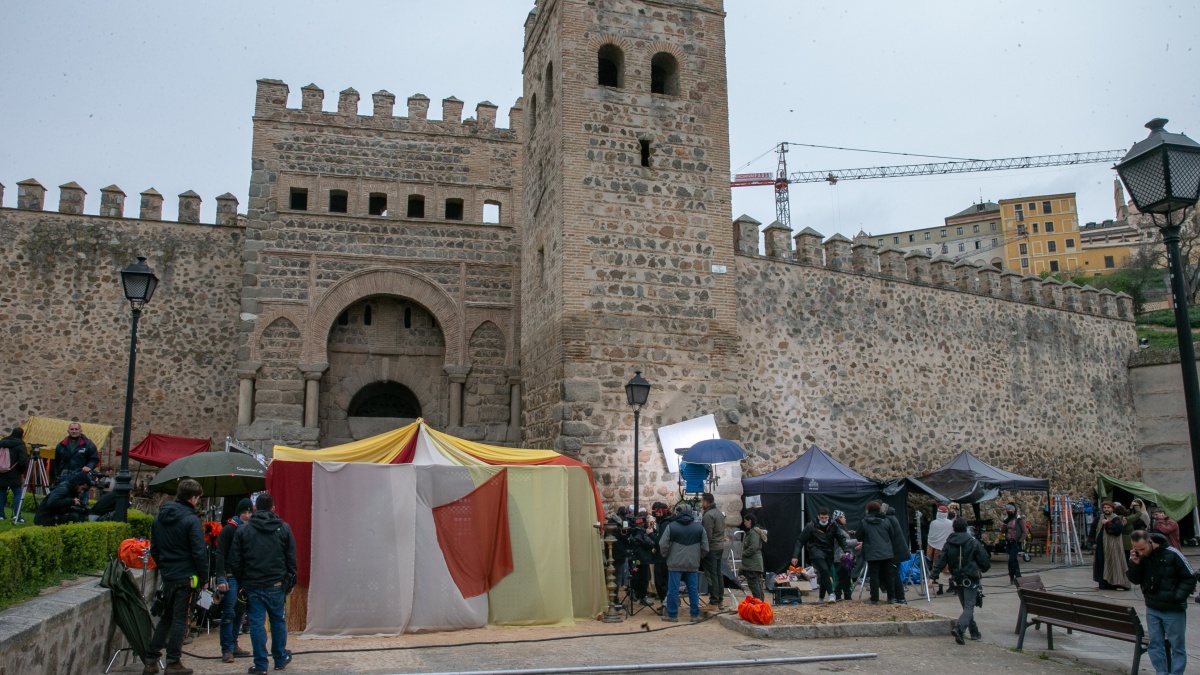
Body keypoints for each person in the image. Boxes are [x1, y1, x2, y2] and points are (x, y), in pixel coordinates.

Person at [143, 478, 208, 675]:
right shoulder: (191, 520)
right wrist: (204, 578)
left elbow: (154, 549)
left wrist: (165, 567)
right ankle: (173, 662)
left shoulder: (159, 518)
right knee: (180, 618)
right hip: (186, 575)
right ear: (193, 498)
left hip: (169, 574)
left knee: (167, 616)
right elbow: (199, 552)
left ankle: (151, 659)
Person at [230, 493, 297, 674]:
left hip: (253, 584)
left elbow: (235, 561)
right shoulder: (283, 528)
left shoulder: (243, 530)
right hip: (276, 584)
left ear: (254, 509)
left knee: (257, 624)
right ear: (273, 508)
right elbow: (291, 558)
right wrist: (290, 580)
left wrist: (242, 581)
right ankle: (280, 658)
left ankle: (260, 665)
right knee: (277, 621)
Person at [1126, 530, 1195, 675]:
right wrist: (1135, 564)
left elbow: (1190, 577)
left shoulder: (1172, 553)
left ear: (1151, 542)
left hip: (1173, 608)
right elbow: (1135, 579)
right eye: (1136, 549)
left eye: (1143, 549)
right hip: (1153, 607)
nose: (1141, 553)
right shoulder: (1140, 557)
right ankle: (1161, 673)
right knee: (1155, 645)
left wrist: (1177, 596)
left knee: (1177, 646)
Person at [933, 518, 991, 644]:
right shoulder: (973, 542)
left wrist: (933, 576)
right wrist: (981, 569)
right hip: (971, 578)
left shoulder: (948, 544)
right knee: (969, 607)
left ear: (953, 528)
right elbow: (985, 561)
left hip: (957, 579)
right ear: (966, 528)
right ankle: (960, 628)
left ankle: (974, 631)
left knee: (966, 607)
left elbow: (940, 560)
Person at [215, 498, 254, 663]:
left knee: (240, 611)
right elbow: (220, 554)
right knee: (230, 612)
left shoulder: (250, 530)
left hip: (243, 577)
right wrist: (221, 577)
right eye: (244, 512)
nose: (246, 515)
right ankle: (227, 649)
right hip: (230, 576)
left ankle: (233, 644)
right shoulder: (229, 530)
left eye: (249, 512)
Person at [657, 503, 708, 623]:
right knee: (693, 590)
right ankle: (694, 615)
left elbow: (662, 544)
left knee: (673, 590)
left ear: (678, 512)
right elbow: (705, 547)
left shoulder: (671, 526)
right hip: (692, 563)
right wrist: (698, 557)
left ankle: (672, 615)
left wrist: (667, 556)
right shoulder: (699, 527)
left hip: (675, 563)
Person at [791, 507, 850, 604]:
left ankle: (821, 597)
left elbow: (841, 538)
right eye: (822, 518)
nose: (824, 520)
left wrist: (846, 550)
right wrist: (795, 556)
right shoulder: (810, 526)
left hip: (829, 552)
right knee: (824, 570)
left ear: (828, 517)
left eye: (826, 518)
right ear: (818, 516)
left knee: (824, 574)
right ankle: (831, 594)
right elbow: (800, 541)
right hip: (815, 551)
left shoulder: (833, 525)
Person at [859, 501, 902, 604]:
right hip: (886, 552)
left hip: (872, 553)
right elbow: (891, 533)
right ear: (879, 509)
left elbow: (859, 536)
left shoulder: (864, 522)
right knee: (889, 575)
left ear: (868, 510)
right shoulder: (885, 520)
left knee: (874, 576)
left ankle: (875, 599)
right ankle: (891, 598)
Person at [1092, 501, 1129, 590]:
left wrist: (1108, 524)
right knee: (1101, 564)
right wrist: (1093, 542)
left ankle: (1114, 583)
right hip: (1101, 545)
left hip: (1112, 546)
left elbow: (1118, 531)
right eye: (1104, 508)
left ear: (1112, 509)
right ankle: (1103, 583)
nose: (1106, 509)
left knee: (1113, 563)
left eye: (1108, 508)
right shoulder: (1098, 518)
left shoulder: (1116, 519)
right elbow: (1093, 530)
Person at [700, 493, 727, 610]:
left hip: (712, 548)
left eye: (702, 501)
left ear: (706, 502)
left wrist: (703, 549)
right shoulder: (719, 513)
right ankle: (720, 600)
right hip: (719, 547)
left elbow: (707, 535)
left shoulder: (708, 515)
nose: (701, 504)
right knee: (718, 573)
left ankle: (714, 601)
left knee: (712, 575)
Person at [882, 503, 910, 604]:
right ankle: (898, 597)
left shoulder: (887, 519)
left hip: (894, 552)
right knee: (894, 573)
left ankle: (900, 597)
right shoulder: (892, 517)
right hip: (898, 551)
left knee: (894, 574)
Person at [0, 427, 29, 522]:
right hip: (15, 473)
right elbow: (23, 461)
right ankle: (17, 515)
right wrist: (20, 472)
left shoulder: (2, 442)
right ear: (22, 435)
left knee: (1, 493)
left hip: (1, 472)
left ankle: (1, 515)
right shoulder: (20, 445)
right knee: (17, 492)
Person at [648, 502, 673, 605]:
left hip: (663, 557)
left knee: (661, 582)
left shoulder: (665, 524)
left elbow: (660, 541)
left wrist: (651, 534)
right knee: (663, 581)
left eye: (656, 512)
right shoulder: (664, 523)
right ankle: (666, 603)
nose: (655, 514)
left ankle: (666, 604)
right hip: (664, 556)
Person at [738, 513, 767, 600]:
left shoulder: (754, 532)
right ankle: (761, 602)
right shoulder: (754, 532)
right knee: (756, 583)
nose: (744, 523)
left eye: (745, 521)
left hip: (753, 564)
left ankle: (758, 602)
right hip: (754, 564)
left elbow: (753, 547)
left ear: (750, 521)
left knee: (753, 584)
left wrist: (743, 554)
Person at [831, 510, 857, 601]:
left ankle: (847, 595)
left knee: (847, 577)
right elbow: (843, 541)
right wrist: (856, 542)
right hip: (840, 557)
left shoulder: (841, 528)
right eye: (843, 517)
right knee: (842, 577)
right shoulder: (836, 529)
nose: (845, 518)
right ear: (838, 518)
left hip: (846, 557)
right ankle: (837, 594)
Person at [926, 505, 953, 595]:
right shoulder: (950, 523)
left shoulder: (933, 523)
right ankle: (952, 586)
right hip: (948, 549)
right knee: (949, 568)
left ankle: (940, 589)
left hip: (937, 550)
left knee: (938, 568)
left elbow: (930, 537)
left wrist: (929, 553)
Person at [1000, 502, 1026, 585]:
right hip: (1009, 542)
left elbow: (1024, 531)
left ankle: (1016, 576)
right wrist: (1005, 523)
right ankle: (1014, 577)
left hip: (1016, 542)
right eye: (1007, 509)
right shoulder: (1007, 519)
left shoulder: (1019, 519)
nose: (1009, 511)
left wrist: (1020, 541)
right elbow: (1003, 531)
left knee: (1012, 560)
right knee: (1012, 560)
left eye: (1010, 509)